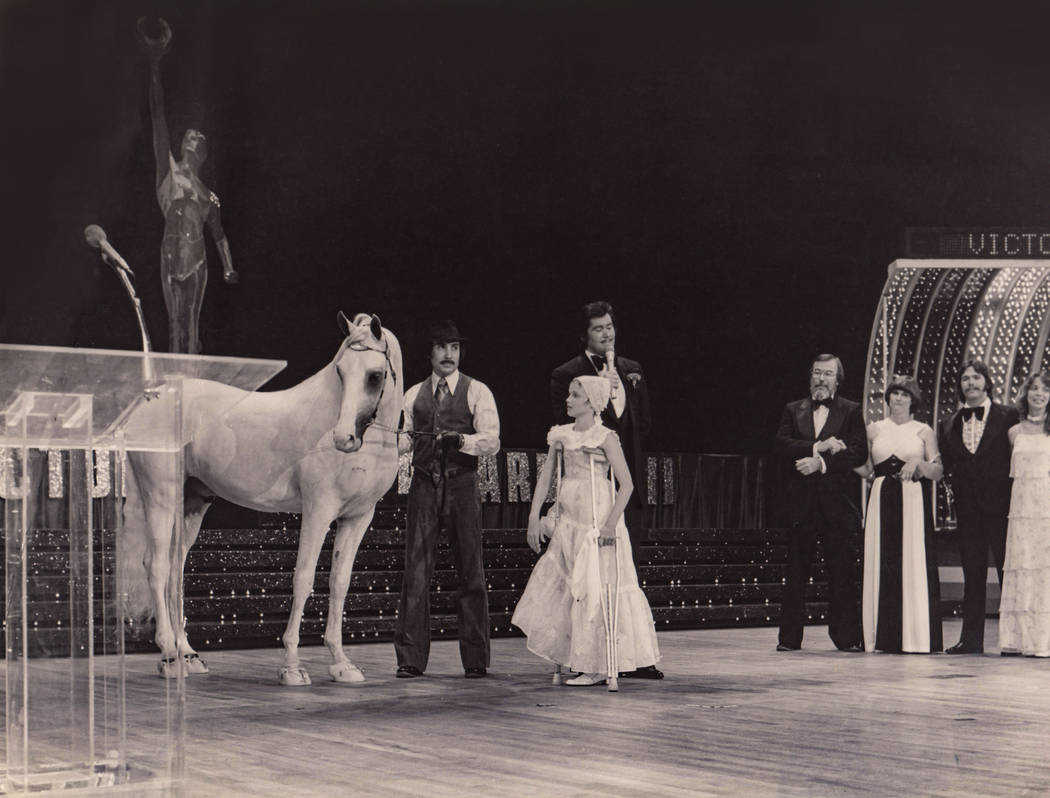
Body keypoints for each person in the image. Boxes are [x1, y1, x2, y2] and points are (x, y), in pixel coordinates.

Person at [512, 376, 660, 685]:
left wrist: (610, 524)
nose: (568, 399)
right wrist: (532, 516)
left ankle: (596, 665)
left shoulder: (606, 437)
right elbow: (546, 478)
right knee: (569, 588)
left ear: (591, 402)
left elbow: (628, 484)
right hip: (570, 519)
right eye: (569, 394)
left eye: (575, 395)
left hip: (597, 520)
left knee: (595, 587)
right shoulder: (561, 435)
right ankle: (575, 656)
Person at [549, 300, 659, 679]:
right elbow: (565, 431)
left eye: (610, 326)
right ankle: (591, 657)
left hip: (624, 486)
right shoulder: (568, 374)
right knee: (590, 578)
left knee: (627, 574)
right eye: (599, 328)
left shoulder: (632, 370)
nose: (606, 333)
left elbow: (641, 424)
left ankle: (634, 658)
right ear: (586, 334)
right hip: (589, 494)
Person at [393, 320, 500, 678]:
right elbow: (403, 440)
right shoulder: (412, 395)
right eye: (441, 347)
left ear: (460, 353)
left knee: (471, 570)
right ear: (431, 353)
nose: (448, 354)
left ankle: (475, 660)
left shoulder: (477, 391)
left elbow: (492, 440)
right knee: (416, 572)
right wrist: (390, 441)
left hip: (462, 485)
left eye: (454, 347)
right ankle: (410, 659)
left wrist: (464, 442)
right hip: (423, 486)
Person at [138, 18, 238, 355]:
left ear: (204, 153)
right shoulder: (168, 173)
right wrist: (154, 65)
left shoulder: (208, 195)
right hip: (170, 253)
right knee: (173, 326)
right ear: (182, 145)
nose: (193, 136)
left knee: (192, 326)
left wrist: (228, 266)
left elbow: (219, 233)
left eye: (199, 136)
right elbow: (158, 116)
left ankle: (192, 383)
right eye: (189, 134)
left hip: (198, 258)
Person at [775, 354, 866, 652]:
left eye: (828, 374)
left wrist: (821, 464)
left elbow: (858, 453)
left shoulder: (851, 411)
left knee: (841, 573)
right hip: (800, 505)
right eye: (817, 373)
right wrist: (818, 446)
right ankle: (789, 640)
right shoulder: (793, 409)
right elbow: (781, 445)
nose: (821, 379)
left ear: (837, 380)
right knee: (796, 572)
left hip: (836, 505)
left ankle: (848, 638)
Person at [857, 376, 943, 653]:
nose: (898, 398)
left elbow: (938, 472)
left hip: (912, 500)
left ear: (912, 399)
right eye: (894, 393)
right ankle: (879, 637)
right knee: (881, 561)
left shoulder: (924, 431)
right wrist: (840, 457)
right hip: (881, 499)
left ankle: (914, 638)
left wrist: (918, 462)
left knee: (912, 562)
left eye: (904, 394)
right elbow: (866, 471)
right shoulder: (873, 429)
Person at [938, 358, 1019, 654]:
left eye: (975, 378)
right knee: (973, 575)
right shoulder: (947, 423)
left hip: (1002, 507)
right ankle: (971, 640)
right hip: (968, 509)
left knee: (1007, 572)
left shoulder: (1009, 415)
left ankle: (1014, 639)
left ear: (986, 382)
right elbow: (948, 465)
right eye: (965, 379)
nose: (970, 383)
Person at [999, 371, 1050, 657]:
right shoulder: (1014, 432)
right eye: (1034, 389)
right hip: (1020, 510)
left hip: (1046, 507)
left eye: (1044, 390)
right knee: (1022, 565)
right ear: (1026, 394)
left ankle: (1043, 640)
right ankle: (1019, 639)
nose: (1039, 394)